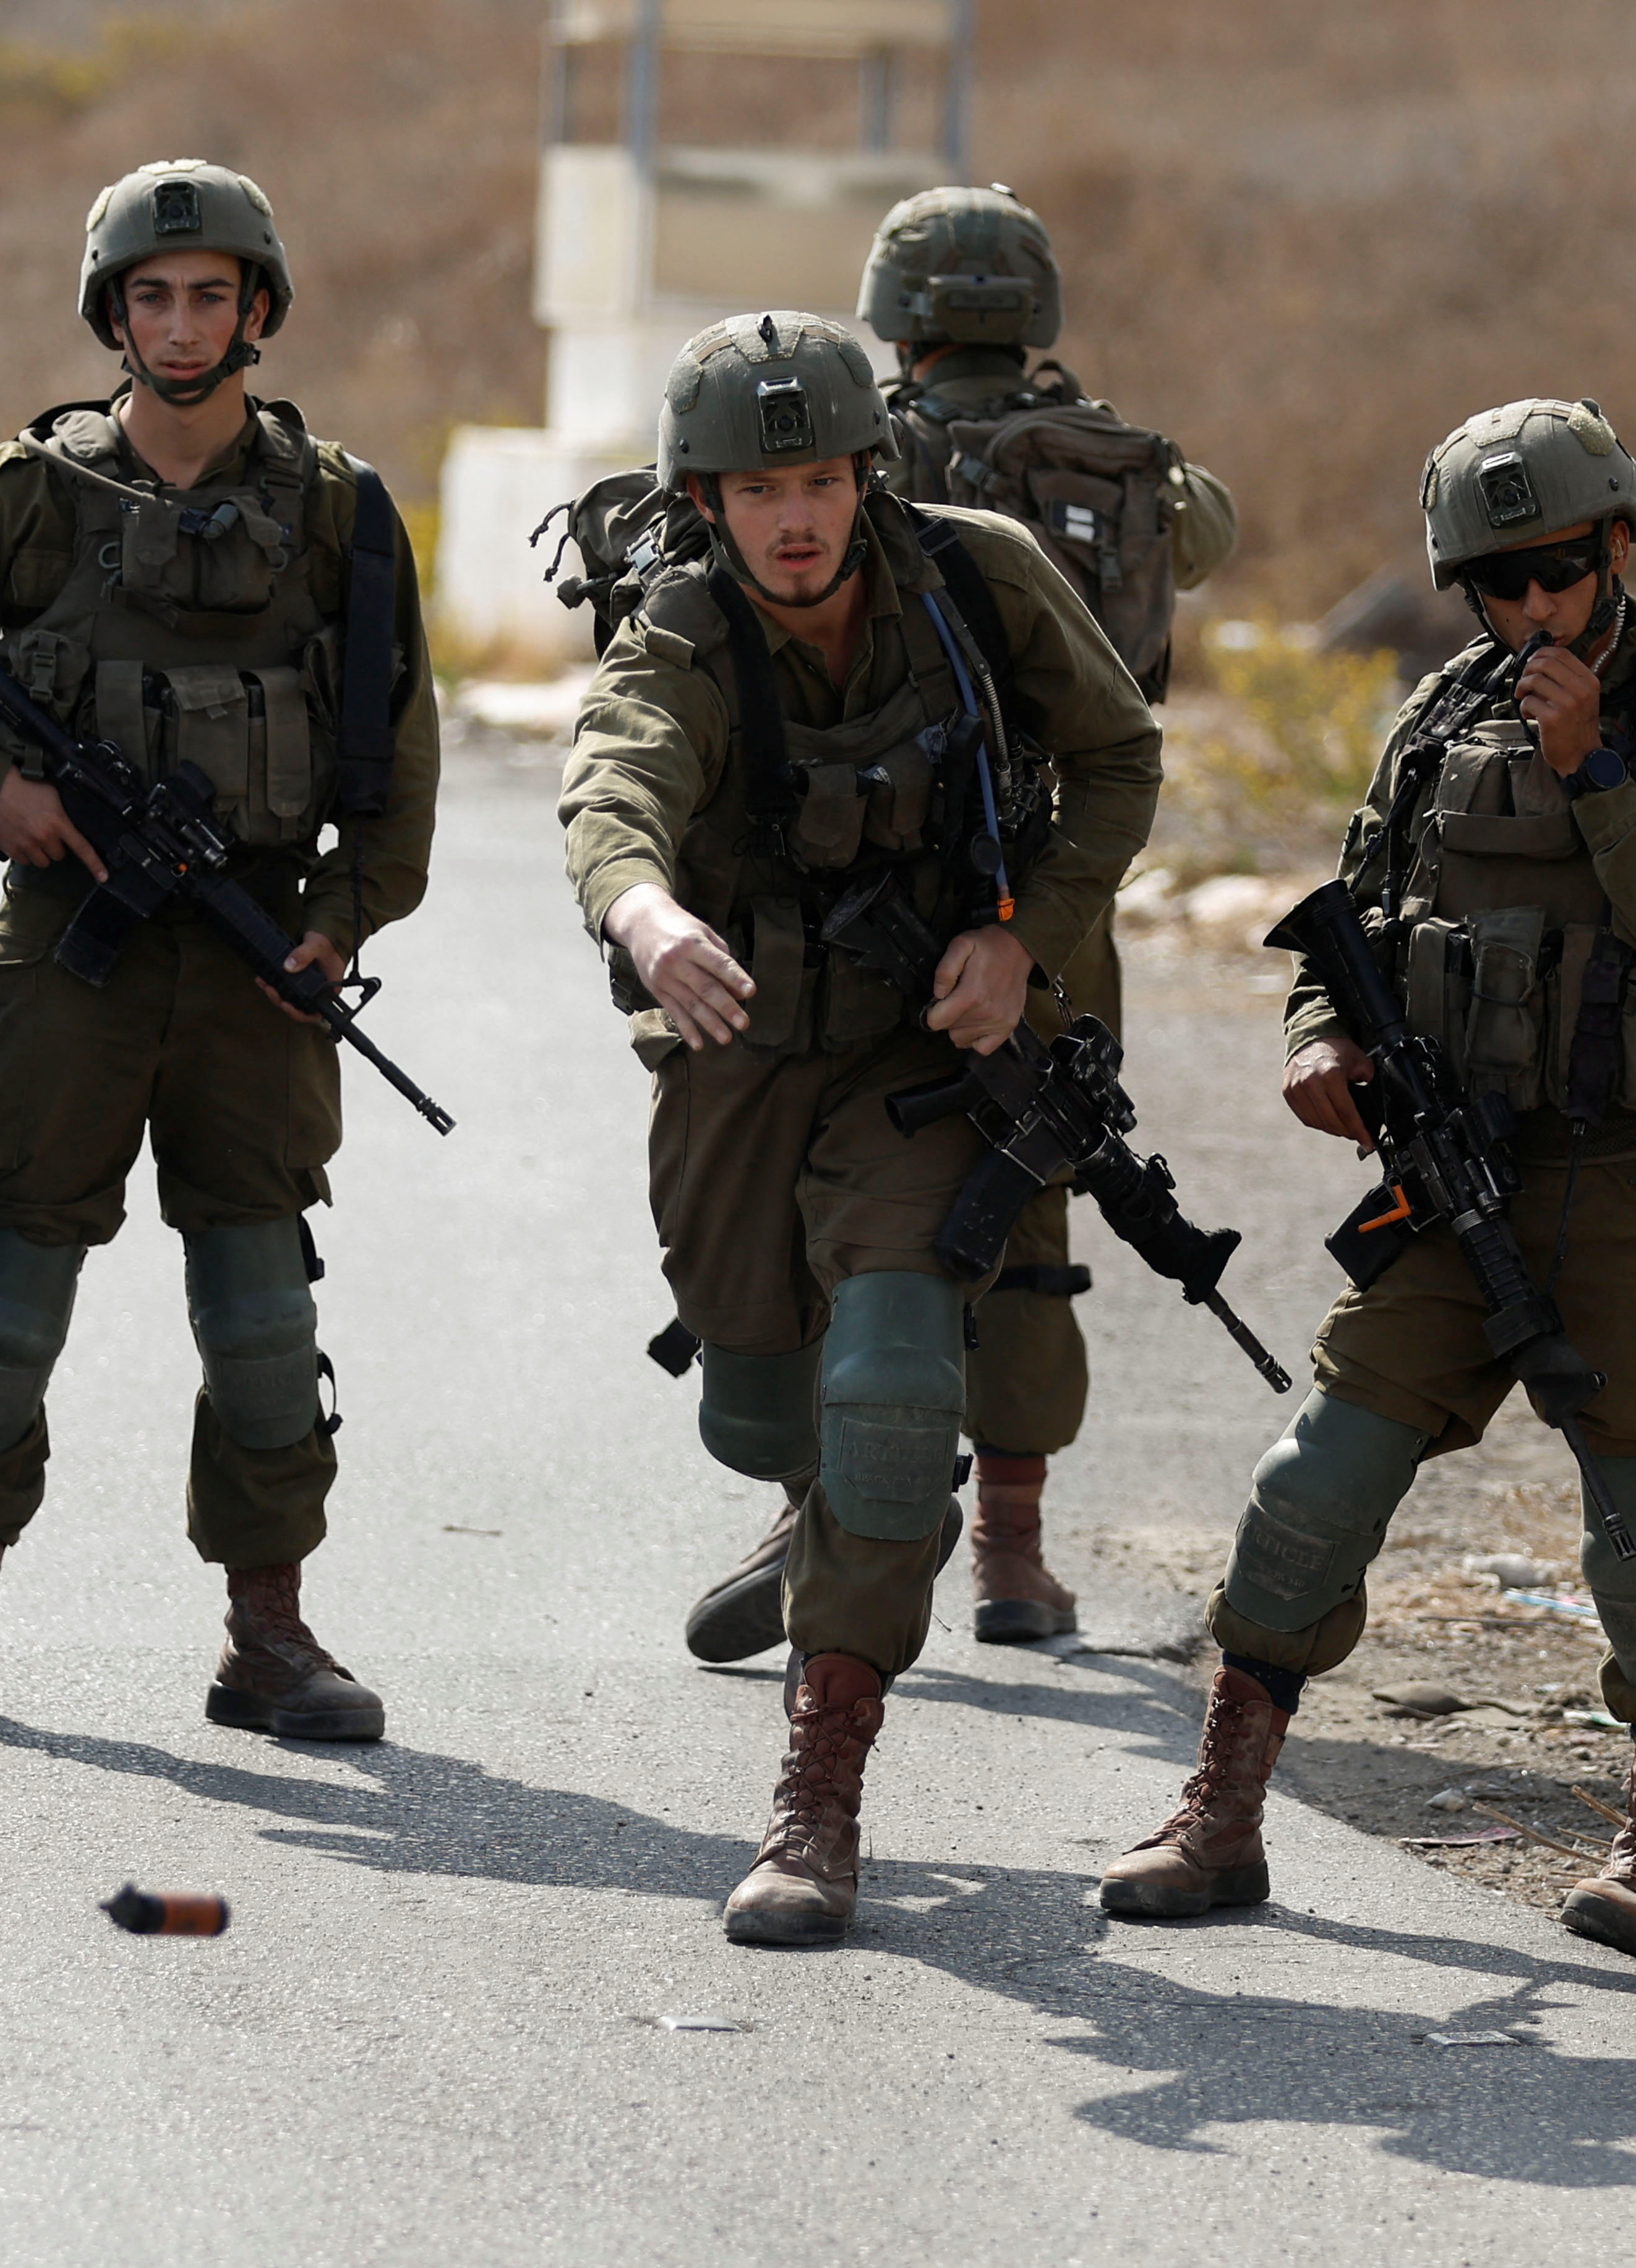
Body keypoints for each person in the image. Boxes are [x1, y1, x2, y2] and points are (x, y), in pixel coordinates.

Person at [1097, 398, 1636, 1967]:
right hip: (1454, 1169)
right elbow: (1349, 921)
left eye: (1554, 570)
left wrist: (1593, 774)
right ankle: (1218, 1811)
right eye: (1493, 585)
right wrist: (1315, 1044)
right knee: (1310, 1486)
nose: (1528, 610)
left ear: (1616, 543)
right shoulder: (1435, 717)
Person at [560, 310, 1161, 1946]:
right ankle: (827, 1498)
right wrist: (643, 916)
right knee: (761, 1412)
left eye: (819, 476)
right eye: (757, 490)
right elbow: (615, 777)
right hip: (744, 1049)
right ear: (705, 503)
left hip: (923, 1055)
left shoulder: (971, 580)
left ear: (864, 471)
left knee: (894, 1381)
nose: (795, 517)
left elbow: (1115, 752)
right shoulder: (683, 624)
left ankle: (819, 1792)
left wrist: (1025, 928)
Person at [0, 160, 438, 1745]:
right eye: (152, 296)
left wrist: (334, 922)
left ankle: (270, 1632)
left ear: (259, 311)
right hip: (72, 949)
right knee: (5, 1287)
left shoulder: (338, 510)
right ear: (114, 314)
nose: (182, 324)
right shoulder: (31, 494)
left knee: (260, 1306)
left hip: (254, 958)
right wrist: (2, 795)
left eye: (210, 295)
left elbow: (395, 753)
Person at [677, 183, 1238, 1661]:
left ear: (892, 315)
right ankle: (1012, 1551)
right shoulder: (1111, 458)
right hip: (1051, 900)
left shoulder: (864, 454)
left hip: (875, 896)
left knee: (837, 1202)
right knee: (1030, 1195)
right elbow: (1206, 539)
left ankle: (823, 1504)